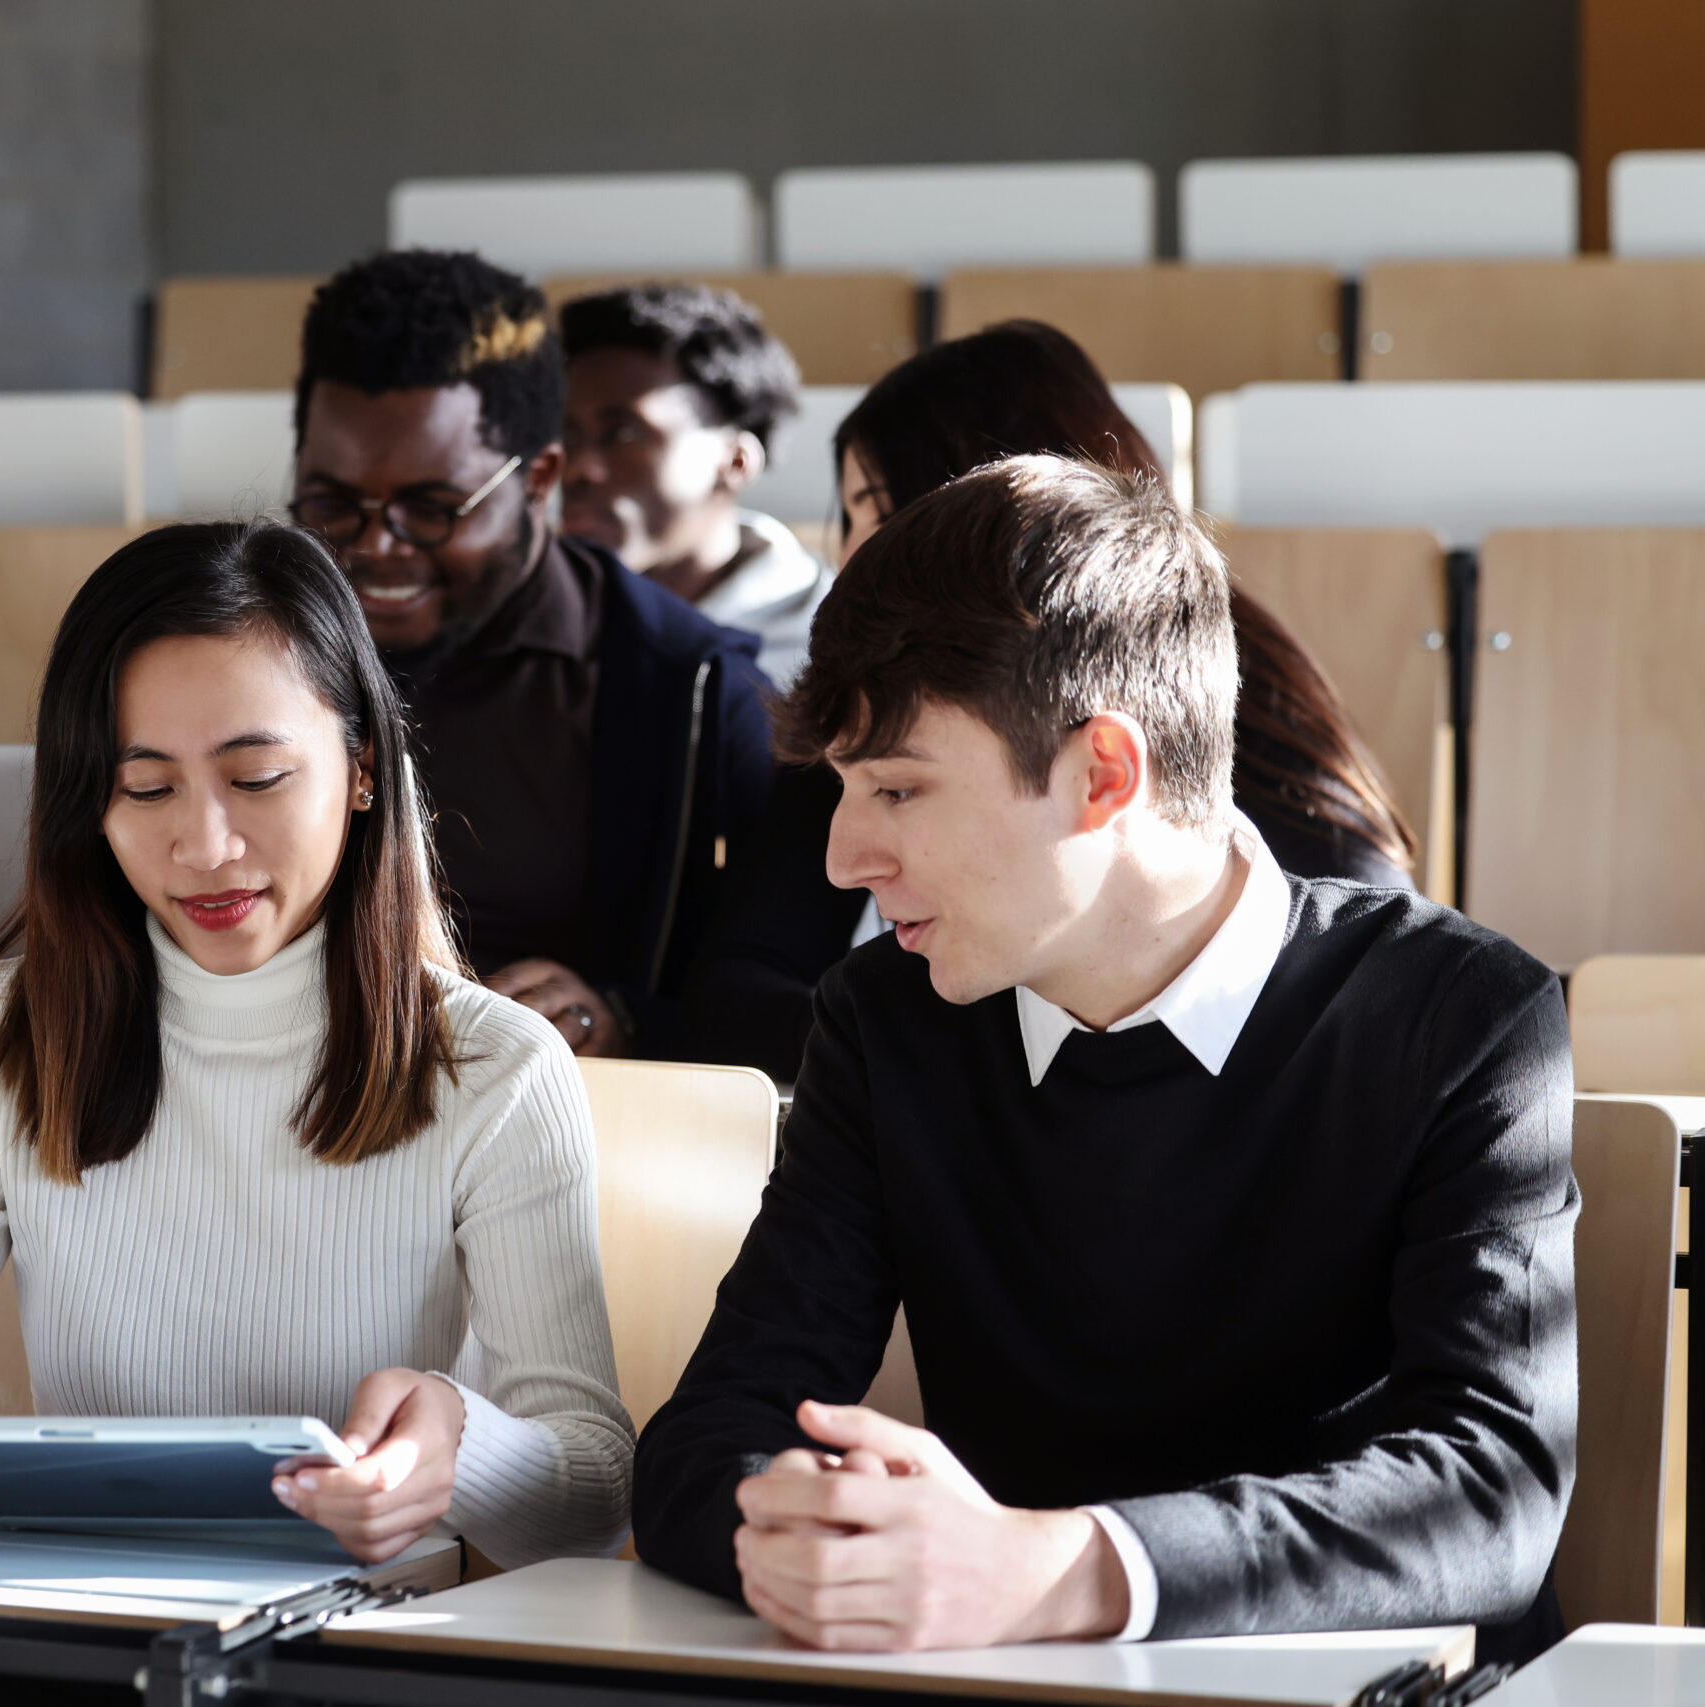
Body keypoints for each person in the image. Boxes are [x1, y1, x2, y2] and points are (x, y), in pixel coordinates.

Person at [634, 457, 1576, 1660]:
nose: (843, 858)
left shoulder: (1458, 1014)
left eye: (898, 789)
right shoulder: (883, 1020)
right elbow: (710, 1435)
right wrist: (820, 1542)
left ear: (1103, 775)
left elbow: (1489, 1493)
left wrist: (1064, 1570)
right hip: (1018, 1682)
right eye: (839, 791)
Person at [0, 521, 634, 1570]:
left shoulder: (494, 1068)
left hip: (360, 1641)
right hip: (78, 1624)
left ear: (361, 769)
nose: (202, 847)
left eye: (255, 778)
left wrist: (451, 1445)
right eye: (144, 787)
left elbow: (594, 1485)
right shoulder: (4, 1028)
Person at [682, 321, 1413, 1082]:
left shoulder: (1219, 699)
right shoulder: (873, 710)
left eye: (875, 511)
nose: (851, 559)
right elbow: (736, 991)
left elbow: (1350, 985)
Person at [290, 250, 773, 1062]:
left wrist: (622, 1018)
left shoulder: (691, 689)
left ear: (540, 478)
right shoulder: (248, 645)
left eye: (432, 509)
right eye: (333, 503)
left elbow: (775, 1004)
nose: (376, 547)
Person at [558, 283, 830, 684]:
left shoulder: (830, 652)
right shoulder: (520, 625)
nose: (576, 470)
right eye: (567, 436)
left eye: (624, 434)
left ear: (734, 461)